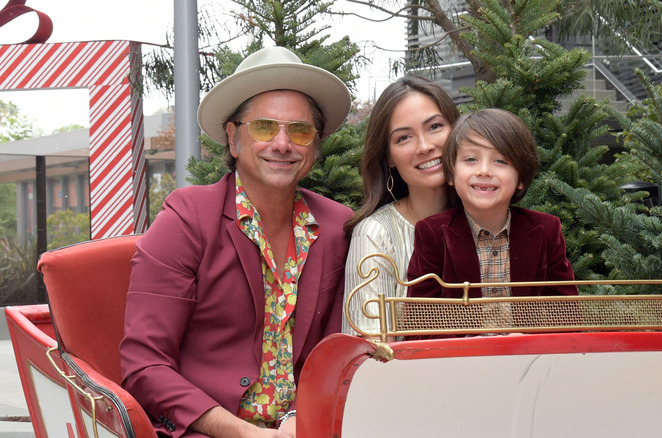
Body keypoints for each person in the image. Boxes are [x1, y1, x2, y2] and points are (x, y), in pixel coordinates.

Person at [119, 46, 353, 438]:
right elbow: (145, 365)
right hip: (207, 431)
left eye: (299, 130)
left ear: (313, 145)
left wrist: (298, 420)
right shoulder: (188, 218)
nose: (283, 143)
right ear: (233, 138)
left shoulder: (336, 225)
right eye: (264, 127)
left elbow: (335, 350)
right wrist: (243, 433)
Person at [406, 108, 577, 337]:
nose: (484, 171)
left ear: (520, 179)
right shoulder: (432, 233)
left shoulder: (545, 230)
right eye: (470, 159)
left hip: (530, 363)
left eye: (500, 161)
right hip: (457, 366)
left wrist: (527, 341)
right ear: (450, 173)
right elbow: (418, 325)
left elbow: (568, 317)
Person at [341, 76, 460, 337]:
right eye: (404, 137)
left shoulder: (489, 219)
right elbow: (367, 352)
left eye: (435, 127)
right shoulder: (374, 234)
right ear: (389, 158)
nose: (425, 146)